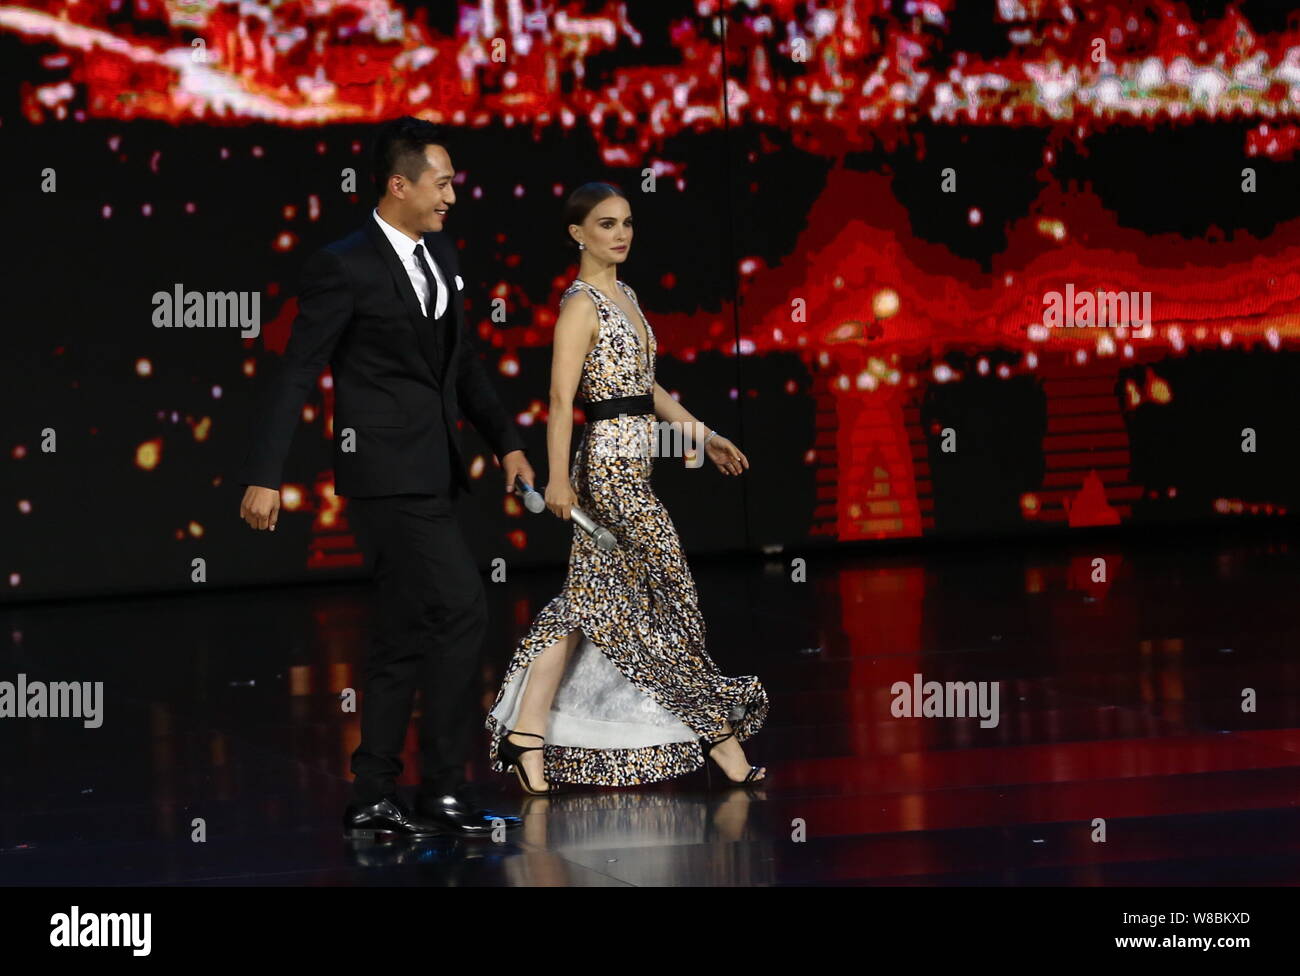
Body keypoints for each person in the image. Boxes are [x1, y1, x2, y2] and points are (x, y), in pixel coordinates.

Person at [238, 116, 536, 839]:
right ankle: (441, 787)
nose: (453, 197)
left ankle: (373, 793)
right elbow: (299, 369)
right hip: (382, 476)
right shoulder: (343, 265)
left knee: (404, 632)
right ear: (399, 185)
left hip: (434, 472)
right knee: (463, 608)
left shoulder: (441, 255)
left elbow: (460, 367)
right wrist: (265, 475)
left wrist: (508, 445)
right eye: (442, 184)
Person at [485, 182, 769, 794]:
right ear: (577, 233)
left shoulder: (628, 296)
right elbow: (562, 401)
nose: (621, 235)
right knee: (672, 596)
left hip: (634, 466)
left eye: (628, 223)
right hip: (607, 476)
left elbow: (648, 389)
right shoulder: (580, 306)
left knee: (586, 604)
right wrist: (560, 478)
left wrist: (702, 435)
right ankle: (721, 739)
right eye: (607, 224)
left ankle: (527, 733)